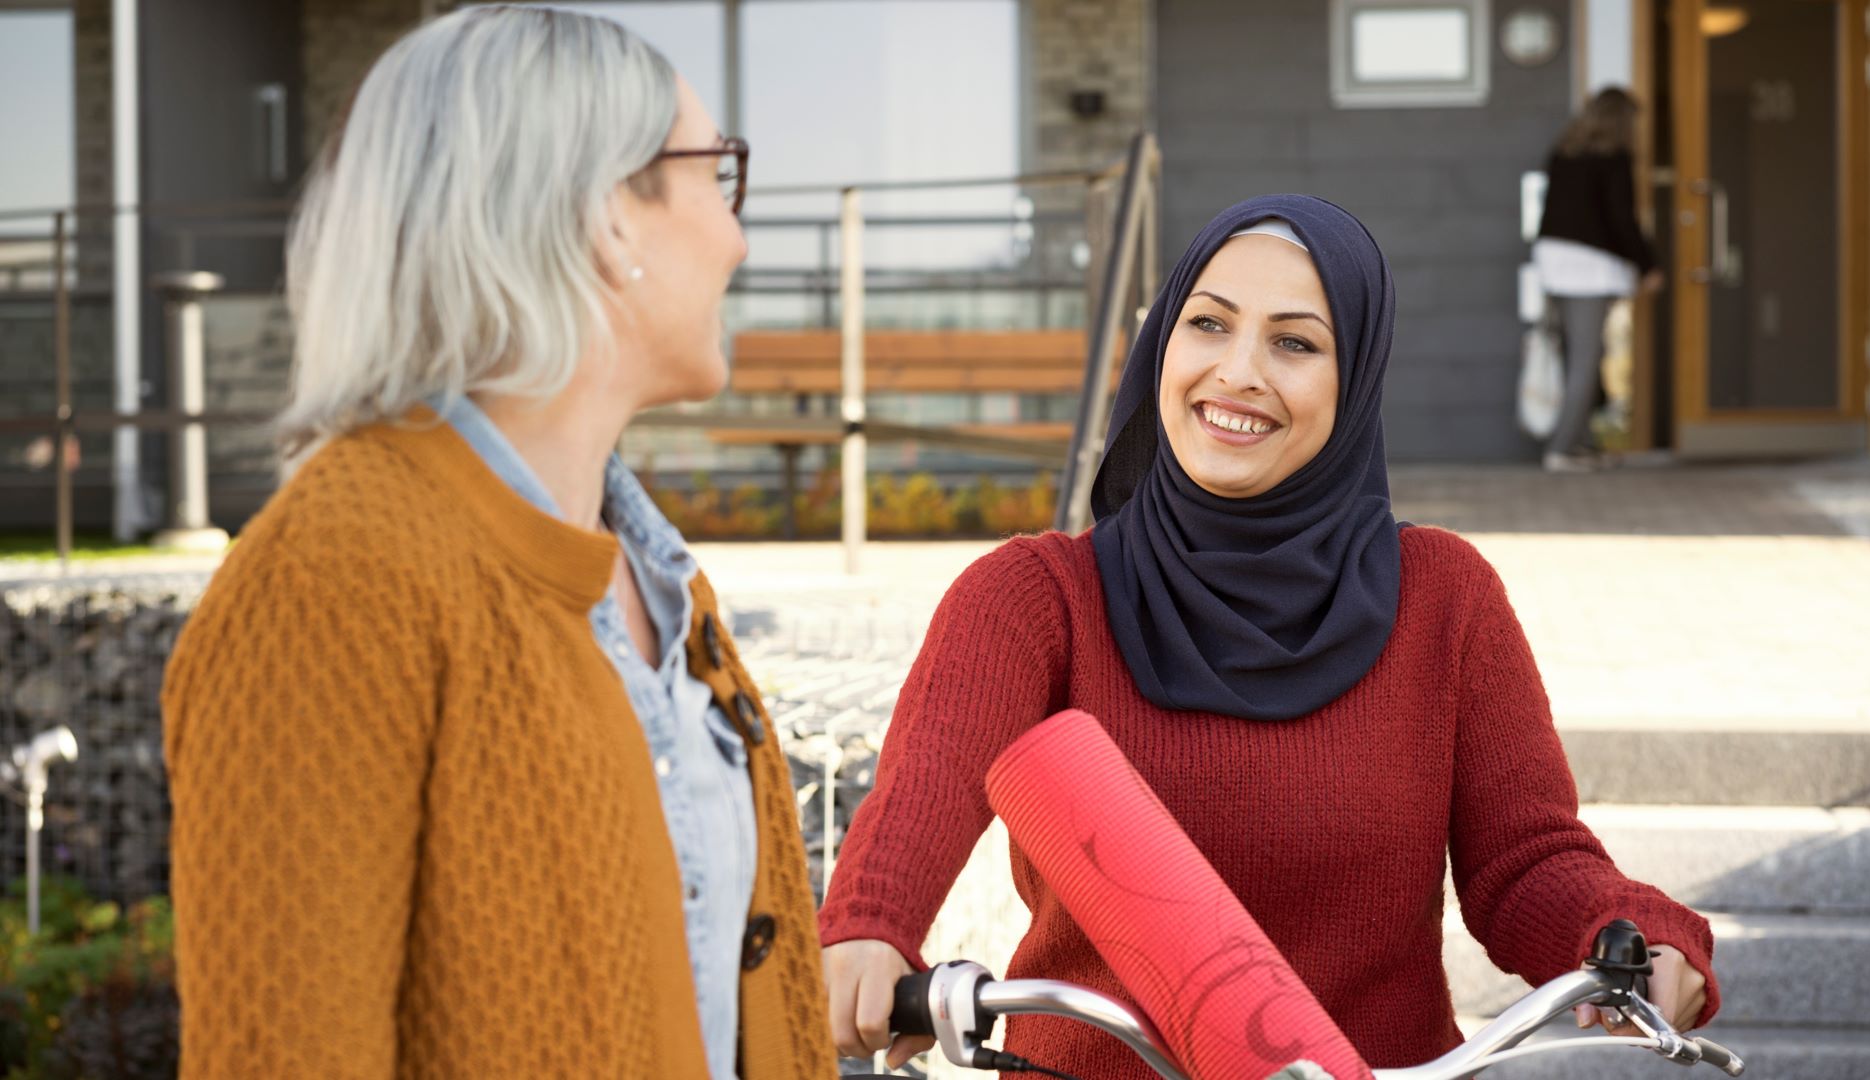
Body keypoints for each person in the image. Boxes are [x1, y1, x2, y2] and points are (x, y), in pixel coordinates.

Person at [818, 195, 1717, 1075]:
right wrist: (869, 926)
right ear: (1162, 342)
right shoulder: (1035, 597)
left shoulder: (1448, 600)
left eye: (1294, 342)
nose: (1239, 371)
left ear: (1355, 378)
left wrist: (1626, 931)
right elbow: (920, 790)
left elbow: (1525, 860)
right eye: (1208, 325)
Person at [161, 7, 834, 1077]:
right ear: (608, 215)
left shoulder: (662, 586)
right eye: (716, 173)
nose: (738, 235)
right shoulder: (331, 582)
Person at [1534, 86, 1664, 472]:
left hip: (1554, 259)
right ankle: (1560, 449)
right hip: (1589, 267)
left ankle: (1580, 445)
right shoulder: (1614, 157)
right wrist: (1648, 264)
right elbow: (1621, 219)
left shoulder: (1565, 150)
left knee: (1580, 354)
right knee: (1587, 359)